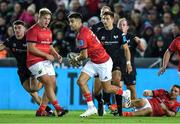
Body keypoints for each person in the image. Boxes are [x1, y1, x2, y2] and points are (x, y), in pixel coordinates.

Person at [68, 12, 130, 117]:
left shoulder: (82, 34)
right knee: (81, 81)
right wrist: (79, 57)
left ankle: (124, 93)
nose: (70, 24)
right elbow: (87, 52)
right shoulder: (85, 31)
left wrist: (77, 58)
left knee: (107, 89)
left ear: (79, 22)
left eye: (72, 21)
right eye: (69, 21)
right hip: (94, 61)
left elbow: (84, 55)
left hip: (104, 63)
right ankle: (91, 107)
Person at [0, 20, 54, 114]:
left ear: (24, 29)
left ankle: (40, 81)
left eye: (19, 28)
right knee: (32, 92)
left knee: (35, 89)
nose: (17, 30)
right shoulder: (11, 40)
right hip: (22, 70)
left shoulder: (30, 39)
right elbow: (1, 46)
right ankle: (48, 111)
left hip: (34, 66)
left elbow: (44, 47)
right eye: (15, 28)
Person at [26, 8, 67, 117]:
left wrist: (56, 55)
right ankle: (58, 108)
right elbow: (31, 48)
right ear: (39, 18)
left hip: (45, 60)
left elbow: (49, 46)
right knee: (48, 82)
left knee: (52, 84)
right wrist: (46, 55)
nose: (47, 21)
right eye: (45, 18)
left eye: (49, 19)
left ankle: (41, 110)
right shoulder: (32, 30)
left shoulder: (48, 31)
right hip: (34, 61)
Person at [94, 11, 132, 116]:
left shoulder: (119, 33)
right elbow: (94, 48)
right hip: (101, 63)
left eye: (107, 19)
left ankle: (120, 111)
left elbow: (126, 49)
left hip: (115, 62)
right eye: (103, 19)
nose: (105, 21)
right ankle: (101, 102)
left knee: (116, 82)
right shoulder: (99, 33)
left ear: (112, 19)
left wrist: (128, 63)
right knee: (96, 91)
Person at [117, 18, 145, 100]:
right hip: (118, 67)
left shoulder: (132, 37)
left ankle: (134, 107)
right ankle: (118, 108)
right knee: (118, 87)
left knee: (132, 88)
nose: (122, 27)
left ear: (127, 27)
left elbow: (142, 50)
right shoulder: (114, 37)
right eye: (120, 25)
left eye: (124, 25)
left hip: (130, 67)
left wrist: (139, 43)